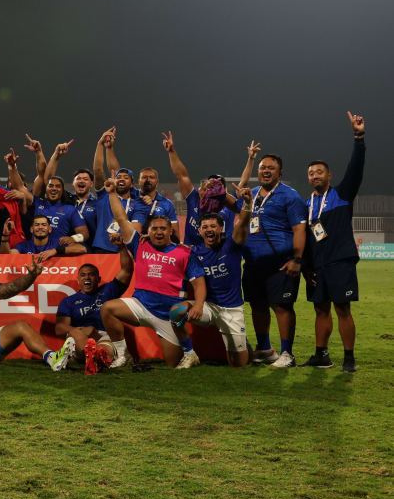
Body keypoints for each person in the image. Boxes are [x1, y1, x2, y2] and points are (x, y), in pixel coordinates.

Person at [99, 176, 206, 369]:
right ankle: (123, 353)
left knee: (172, 363)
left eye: (163, 229)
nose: (158, 232)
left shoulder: (184, 252)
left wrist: (198, 304)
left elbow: (198, 282)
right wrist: (112, 193)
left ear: (169, 231)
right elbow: (122, 218)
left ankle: (190, 353)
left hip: (168, 315)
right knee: (108, 308)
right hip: (141, 305)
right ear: (148, 231)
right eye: (154, 228)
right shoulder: (139, 244)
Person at [301, 111, 366, 372]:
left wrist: (358, 138)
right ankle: (321, 355)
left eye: (319, 172)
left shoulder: (342, 195)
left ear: (329, 176)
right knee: (320, 310)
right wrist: (307, 269)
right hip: (317, 266)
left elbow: (356, 170)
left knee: (342, 308)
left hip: (340, 262)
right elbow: (305, 238)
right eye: (311, 173)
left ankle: (349, 358)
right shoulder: (306, 205)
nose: (315, 176)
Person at [171, 188, 255, 368]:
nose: (209, 229)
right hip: (209, 307)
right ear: (200, 232)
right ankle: (189, 354)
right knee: (176, 311)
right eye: (205, 227)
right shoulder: (194, 251)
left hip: (232, 310)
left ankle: (243, 345)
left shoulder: (232, 245)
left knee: (238, 364)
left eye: (213, 226)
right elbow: (169, 247)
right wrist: (147, 236)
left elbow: (243, 223)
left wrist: (247, 204)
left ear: (220, 229)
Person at [240, 151, 307, 367]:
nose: (266, 171)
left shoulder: (290, 196)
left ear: (280, 172)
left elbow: (299, 229)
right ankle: (265, 349)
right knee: (258, 306)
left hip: (280, 264)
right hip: (253, 263)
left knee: (282, 306)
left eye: (271, 168)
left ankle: (287, 353)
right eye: (263, 168)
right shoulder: (252, 194)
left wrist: (297, 258)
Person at [55, 238, 133, 361]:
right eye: (83, 275)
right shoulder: (68, 301)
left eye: (91, 274)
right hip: (80, 336)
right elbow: (59, 328)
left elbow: (127, 270)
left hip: (104, 336)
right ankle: (90, 356)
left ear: (98, 278)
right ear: (78, 280)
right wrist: (78, 331)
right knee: (79, 339)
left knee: (105, 349)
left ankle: (94, 357)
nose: (87, 277)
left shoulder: (108, 290)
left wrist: (122, 247)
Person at [161, 130, 243, 247]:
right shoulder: (193, 197)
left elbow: (240, 205)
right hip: (192, 252)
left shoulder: (223, 204)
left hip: (217, 254)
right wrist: (171, 151)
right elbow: (181, 175)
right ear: (200, 188)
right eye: (206, 187)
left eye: (214, 189)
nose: (209, 191)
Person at [39, 137, 98, 242]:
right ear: (73, 183)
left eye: (85, 179)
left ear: (91, 184)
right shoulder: (66, 198)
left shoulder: (96, 203)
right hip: (65, 245)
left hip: (90, 248)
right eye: (78, 179)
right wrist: (57, 155)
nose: (81, 181)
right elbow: (49, 180)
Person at [91, 127, 137, 254]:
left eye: (126, 178)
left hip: (126, 250)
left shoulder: (137, 202)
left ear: (132, 184)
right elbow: (98, 170)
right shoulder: (104, 195)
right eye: (119, 178)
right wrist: (100, 144)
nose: (121, 179)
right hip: (101, 249)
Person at [3, 216, 86, 257]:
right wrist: (5, 235)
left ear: (49, 229)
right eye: (37, 225)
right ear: (31, 229)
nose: (40, 227)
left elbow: (82, 249)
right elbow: (8, 256)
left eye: (44, 225)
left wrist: (56, 250)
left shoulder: (58, 243)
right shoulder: (24, 246)